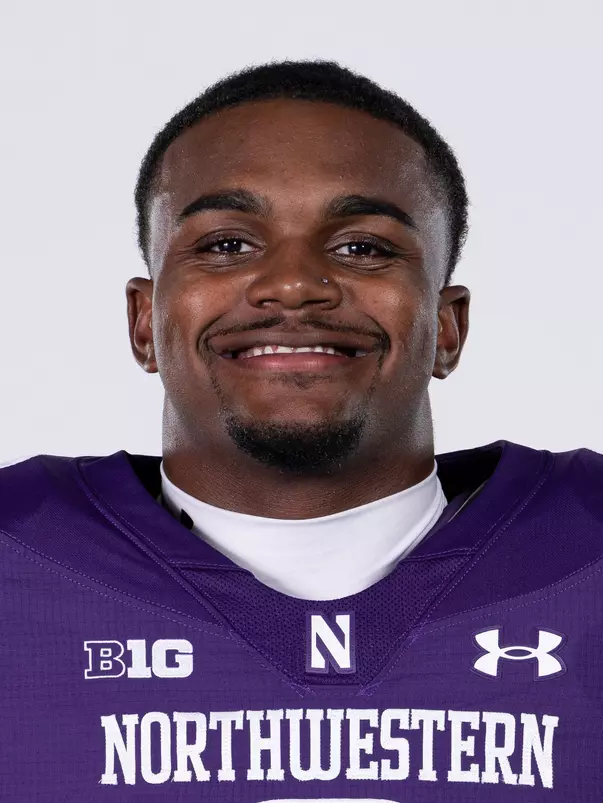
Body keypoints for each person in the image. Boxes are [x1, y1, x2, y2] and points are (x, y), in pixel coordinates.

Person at [0, 60, 600, 803]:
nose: (292, 284)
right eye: (225, 244)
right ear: (143, 322)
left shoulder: (585, 551)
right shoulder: (19, 560)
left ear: (446, 328)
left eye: (361, 247)